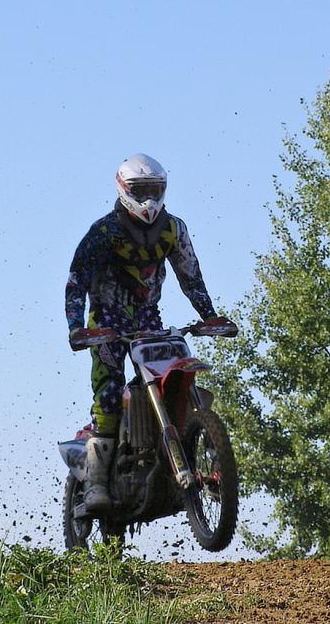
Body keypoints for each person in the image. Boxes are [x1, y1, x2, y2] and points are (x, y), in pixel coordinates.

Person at [65, 153, 230, 511]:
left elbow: (191, 277)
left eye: (155, 190)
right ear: (124, 190)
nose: (149, 199)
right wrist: (76, 327)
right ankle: (96, 484)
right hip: (106, 322)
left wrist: (209, 316)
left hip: (147, 319)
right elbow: (76, 281)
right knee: (109, 394)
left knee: (175, 379)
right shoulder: (104, 232)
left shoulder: (173, 229)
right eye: (140, 191)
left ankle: (200, 460)